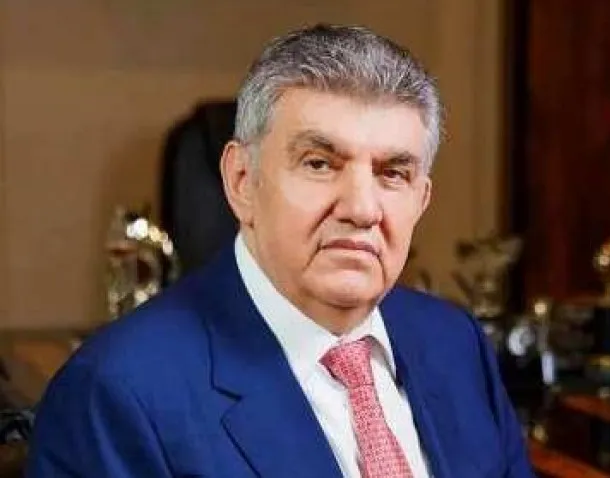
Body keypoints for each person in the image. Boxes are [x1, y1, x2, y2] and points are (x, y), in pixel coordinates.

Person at [26, 24, 534, 477]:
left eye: (393, 173)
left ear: (422, 200)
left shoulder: (455, 342)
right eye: (320, 164)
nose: (362, 208)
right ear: (241, 181)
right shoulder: (117, 392)